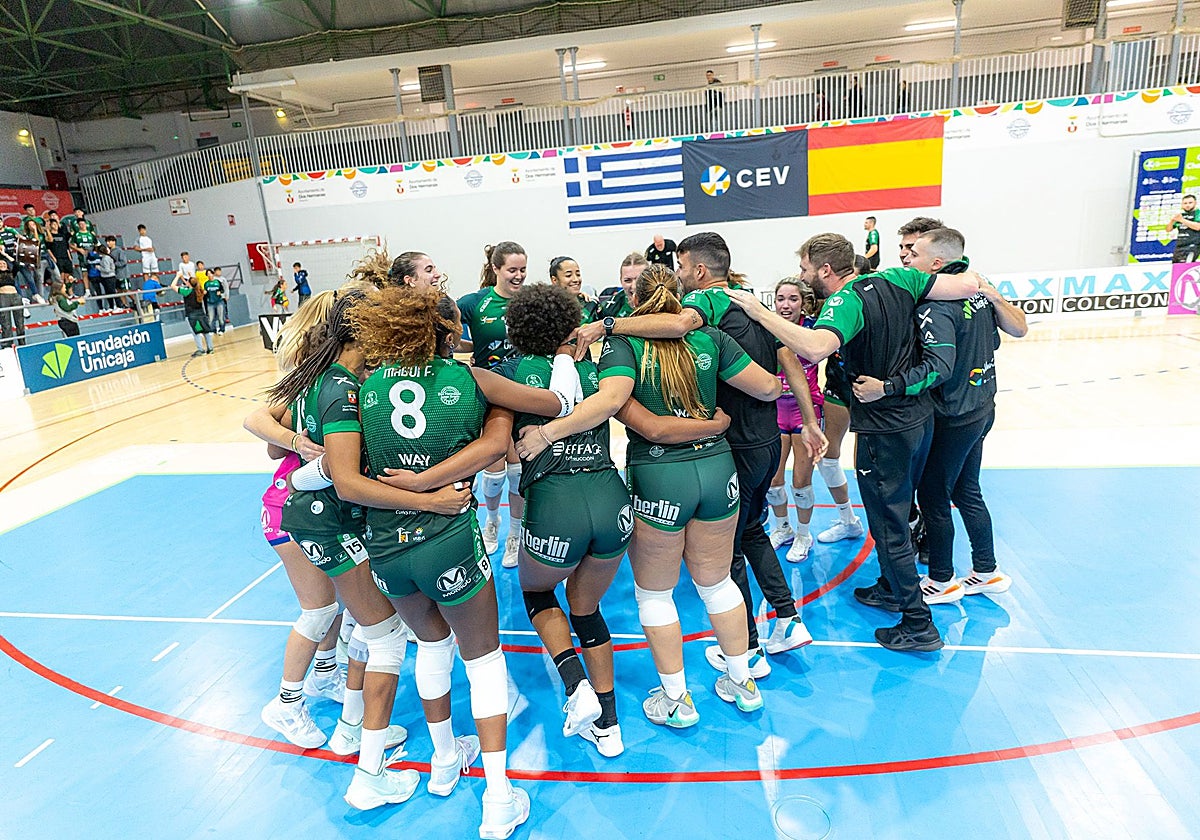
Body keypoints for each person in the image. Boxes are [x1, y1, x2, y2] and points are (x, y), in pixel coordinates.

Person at [331, 286, 573, 836]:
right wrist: (431, 479)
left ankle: (443, 763)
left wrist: (409, 479)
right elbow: (539, 417)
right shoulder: (472, 378)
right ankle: (497, 797)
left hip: (387, 547)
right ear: (446, 331)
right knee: (483, 659)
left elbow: (349, 472)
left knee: (430, 646)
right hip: (447, 537)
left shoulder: (364, 387)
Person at [520, 264, 783, 727]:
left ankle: (677, 701)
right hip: (718, 467)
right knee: (717, 583)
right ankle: (743, 683)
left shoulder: (622, 344)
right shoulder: (710, 339)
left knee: (655, 594)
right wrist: (717, 419)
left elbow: (639, 420)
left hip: (662, 475)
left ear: (634, 300)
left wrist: (550, 433)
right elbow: (767, 386)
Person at [576, 232, 825, 675]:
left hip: (708, 454)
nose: (680, 272)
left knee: (702, 570)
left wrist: (607, 326)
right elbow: (779, 371)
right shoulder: (751, 301)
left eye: (682, 264)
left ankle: (741, 653)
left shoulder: (705, 309)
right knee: (749, 533)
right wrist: (807, 420)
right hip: (759, 443)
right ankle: (783, 621)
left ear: (699, 271)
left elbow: (669, 340)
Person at [725, 233, 985, 653]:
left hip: (885, 427)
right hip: (919, 419)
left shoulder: (844, 302)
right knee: (896, 514)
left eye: (807, 269)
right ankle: (891, 586)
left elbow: (814, 346)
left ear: (825, 271)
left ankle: (919, 625)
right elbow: (968, 285)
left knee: (889, 525)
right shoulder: (900, 278)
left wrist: (759, 311)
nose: (805, 276)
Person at [264, 291, 473, 812]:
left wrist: (306, 475)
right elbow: (349, 482)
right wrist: (430, 498)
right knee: (385, 637)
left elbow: (288, 449)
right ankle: (368, 776)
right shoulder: (341, 390)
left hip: (319, 519)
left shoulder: (325, 375)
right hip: (330, 524)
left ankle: (350, 732)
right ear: (363, 328)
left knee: (365, 628)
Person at [854, 228, 1028, 605]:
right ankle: (985, 570)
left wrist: (886, 387)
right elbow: (1002, 337)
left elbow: (940, 368)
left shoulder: (935, 305)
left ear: (936, 263)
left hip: (954, 415)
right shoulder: (978, 289)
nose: (904, 258)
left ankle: (942, 579)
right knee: (967, 490)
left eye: (911, 252)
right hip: (983, 407)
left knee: (934, 495)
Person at [764, 277, 854, 563]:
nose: (786, 305)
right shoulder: (765, 328)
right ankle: (783, 528)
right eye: (781, 299)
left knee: (801, 481)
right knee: (774, 480)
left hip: (808, 412)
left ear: (803, 301)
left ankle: (804, 534)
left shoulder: (814, 330)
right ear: (773, 302)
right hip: (775, 412)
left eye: (793, 299)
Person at [457, 241, 527, 568]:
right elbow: (444, 327)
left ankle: (515, 533)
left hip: (524, 390)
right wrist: (471, 346)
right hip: (488, 392)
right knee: (495, 469)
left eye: (523, 270)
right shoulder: (476, 302)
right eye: (512, 270)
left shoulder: (530, 301)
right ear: (496, 269)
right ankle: (492, 522)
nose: (518, 276)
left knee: (518, 472)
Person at [548, 256, 601, 324]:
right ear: (554, 280)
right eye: (568, 275)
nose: (576, 279)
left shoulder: (590, 305)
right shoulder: (547, 307)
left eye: (578, 274)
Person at [172, 272, 214, 356]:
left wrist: (177, 276)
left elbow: (173, 286)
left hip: (192, 316)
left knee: (196, 333)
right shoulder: (200, 290)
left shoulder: (187, 292)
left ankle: (201, 350)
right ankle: (210, 348)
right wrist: (187, 277)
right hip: (201, 314)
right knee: (206, 331)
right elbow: (193, 283)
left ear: (189, 284)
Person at [600, 252, 645, 319]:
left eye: (640, 280)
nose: (634, 286)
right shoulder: (609, 308)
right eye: (628, 280)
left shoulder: (663, 303)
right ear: (621, 280)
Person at [15, 219, 44, 303]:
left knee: (34, 277)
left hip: (37, 257)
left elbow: (36, 242)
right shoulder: (25, 235)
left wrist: (35, 230)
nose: (32, 226)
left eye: (33, 224)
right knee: (17, 279)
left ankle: (37, 295)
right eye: (30, 224)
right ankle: (22, 298)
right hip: (19, 259)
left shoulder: (40, 234)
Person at [0, 258, 25, 347]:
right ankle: (7, 345)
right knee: (6, 323)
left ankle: (22, 343)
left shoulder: (11, 273)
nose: (2, 265)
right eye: (0, 263)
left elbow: (17, 265)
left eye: (4, 263)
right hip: (3, 297)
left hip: (15, 296)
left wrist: (5, 254)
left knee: (20, 322)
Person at [1171, 194, 1200, 263]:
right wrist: (1172, 220)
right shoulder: (1181, 215)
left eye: (1190, 203)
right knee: (1176, 268)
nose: (1187, 205)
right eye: (1185, 203)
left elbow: (1198, 227)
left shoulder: (1198, 213)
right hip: (1180, 246)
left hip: (1193, 245)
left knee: (1185, 266)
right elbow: (1168, 229)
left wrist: (1182, 220)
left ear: (1195, 203)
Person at [204, 266, 228, 335]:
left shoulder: (217, 282)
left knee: (221, 317)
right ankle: (212, 330)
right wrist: (205, 293)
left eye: (210, 273)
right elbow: (205, 292)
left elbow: (222, 289)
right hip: (210, 302)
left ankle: (222, 329)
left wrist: (220, 292)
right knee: (211, 318)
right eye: (208, 274)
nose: (209, 275)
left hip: (219, 301)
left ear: (213, 274)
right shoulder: (206, 284)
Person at [97, 245, 118, 313]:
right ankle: (111, 306)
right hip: (105, 277)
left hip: (109, 277)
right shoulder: (104, 258)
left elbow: (107, 270)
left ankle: (119, 306)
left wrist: (99, 268)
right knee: (108, 293)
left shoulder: (106, 258)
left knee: (112, 292)